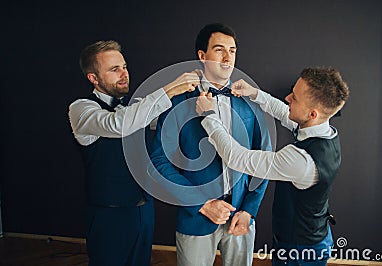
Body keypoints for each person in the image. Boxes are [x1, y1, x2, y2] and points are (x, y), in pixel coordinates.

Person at [196, 67, 350, 265]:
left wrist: (209, 115)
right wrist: (254, 93)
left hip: (299, 250)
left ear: (312, 114)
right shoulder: (322, 130)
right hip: (316, 234)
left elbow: (236, 158)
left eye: (294, 98)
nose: (287, 98)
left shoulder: (300, 161)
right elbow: (284, 112)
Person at [68, 40, 199, 266]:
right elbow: (119, 124)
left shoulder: (136, 106)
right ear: (93, 78)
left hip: (144, 210)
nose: (124, 73)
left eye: (124, 66)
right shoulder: (81, 109)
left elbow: (170, 120)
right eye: (114, 69)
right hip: (108, 215)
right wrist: (169, 89)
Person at [150, 23, 271, 266]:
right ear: (202, 56)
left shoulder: (251, 102)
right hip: (195, 217)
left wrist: (249, 210)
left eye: (233, 50)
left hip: (241, 218)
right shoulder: (178, 102)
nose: (228, 58)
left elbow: (264, 160)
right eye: (219, 50)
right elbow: (159, 160)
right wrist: (201, 203)